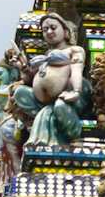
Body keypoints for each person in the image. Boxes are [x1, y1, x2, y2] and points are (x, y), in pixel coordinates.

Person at [23, 13, 86, 149]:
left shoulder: (74, 50)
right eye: (45, 30)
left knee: (60, 106)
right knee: (20, 93)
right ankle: (44, 117)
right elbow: (33, 78)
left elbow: (76, 69)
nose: (49, 32)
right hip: (42, 102)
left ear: (65, 31)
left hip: (69, 98)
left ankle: (73, 136)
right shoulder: (45, 57)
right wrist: (25, 69)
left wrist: (75, 91)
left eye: (53, 27)